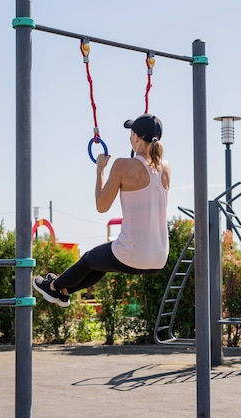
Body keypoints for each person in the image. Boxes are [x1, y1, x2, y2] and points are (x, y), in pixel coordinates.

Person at [33, 114, 171, 307]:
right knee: (100, 262)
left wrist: (100, 170)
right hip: (159, 258)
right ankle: (65, 292)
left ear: (136, 137)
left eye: (131, 134)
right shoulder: (165, 168)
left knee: (90, 258)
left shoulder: (122, 165)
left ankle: (54, 287)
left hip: (133, 254)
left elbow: (101, 206)